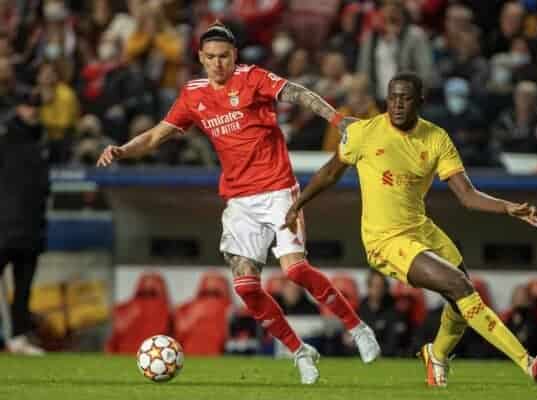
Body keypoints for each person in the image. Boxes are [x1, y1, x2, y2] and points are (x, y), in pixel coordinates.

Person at [96, 22, 380, 384]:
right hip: (239, 199)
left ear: (235, 57)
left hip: (278, 189)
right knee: (246, 288)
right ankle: (299, 351)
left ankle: (357, 328)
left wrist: (338, 120)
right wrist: (123, 150)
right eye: (211, 58)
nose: (218, 64)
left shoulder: (252, 78)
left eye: (225, 57)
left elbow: (297, 92)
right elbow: (155, 135)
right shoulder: (193, 95)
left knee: (294, 270)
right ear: (200, 58)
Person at [282, 71, 537, 387]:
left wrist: (507, 207)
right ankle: (527, 362)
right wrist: (297, 204)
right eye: (392, 97)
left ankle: (436, 357)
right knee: (460, 286)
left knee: (459, 300)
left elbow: (466, 195)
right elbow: (329, 174)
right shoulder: (364, 133)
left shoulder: (435, 138)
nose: (397, 104)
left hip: (422, 230)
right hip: (385, 239)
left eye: (405, 98)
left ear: (420, 101)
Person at [0, 91, 48, 355]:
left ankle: (18, 337)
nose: (33, 110)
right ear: (18, 107)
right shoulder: (5, 138)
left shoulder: (40, 140)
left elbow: (43, 189)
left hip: (31, 227)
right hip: (5, 225)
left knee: (23, 290)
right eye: (28, 105)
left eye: (36, 106)